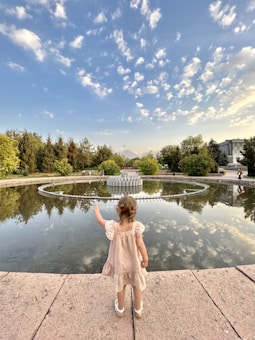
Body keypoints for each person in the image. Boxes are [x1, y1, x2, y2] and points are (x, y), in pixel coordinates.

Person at [93, 196, 148, 318]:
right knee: (136, 285)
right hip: (134, 264)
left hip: (120, 264)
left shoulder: (113, 227)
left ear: (118, 210)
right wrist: (145, 259)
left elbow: (100, 221)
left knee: (121, 286)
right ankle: (138, 310)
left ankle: (120, 309)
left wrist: (96, 211)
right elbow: (141, 245)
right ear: (134, 211)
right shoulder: (136, 227)